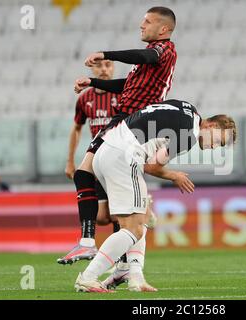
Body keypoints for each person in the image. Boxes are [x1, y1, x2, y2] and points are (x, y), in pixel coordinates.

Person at [60, 6, 177, 286]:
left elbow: (145, 55)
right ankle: (100, 248)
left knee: (117, 202)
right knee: (86, 174)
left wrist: (105, 53)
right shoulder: (149, 62)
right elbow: (129, 85)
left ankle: (104, 252)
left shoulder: (165, 49)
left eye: (147, 21)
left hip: (135, 123)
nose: (141, 24)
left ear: (163, 29)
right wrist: (93, 81)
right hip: (124, 120)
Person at [74, 99, 237, 293]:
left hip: (107, 150)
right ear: (210, 125)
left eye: (219, 146)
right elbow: (150, 165)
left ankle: (135, 277)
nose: (214, 147)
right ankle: (88, 278)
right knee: (133, 230)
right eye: (218, 141)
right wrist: (174, 175)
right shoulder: (190, 136)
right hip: (124, 157)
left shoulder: (187, 108)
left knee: (139, 221)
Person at [57, 59, 121, 264]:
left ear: (113, 69)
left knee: (119, 213)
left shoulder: (122, 95)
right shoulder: (85, 99)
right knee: (103, 217)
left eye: (108, 65)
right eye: (100, 66)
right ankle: (144, 207)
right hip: (97, 159)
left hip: (119, 158)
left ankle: (121, 260)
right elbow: (76, 129)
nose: (104, 69)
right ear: (92, 69)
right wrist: (70, 160)